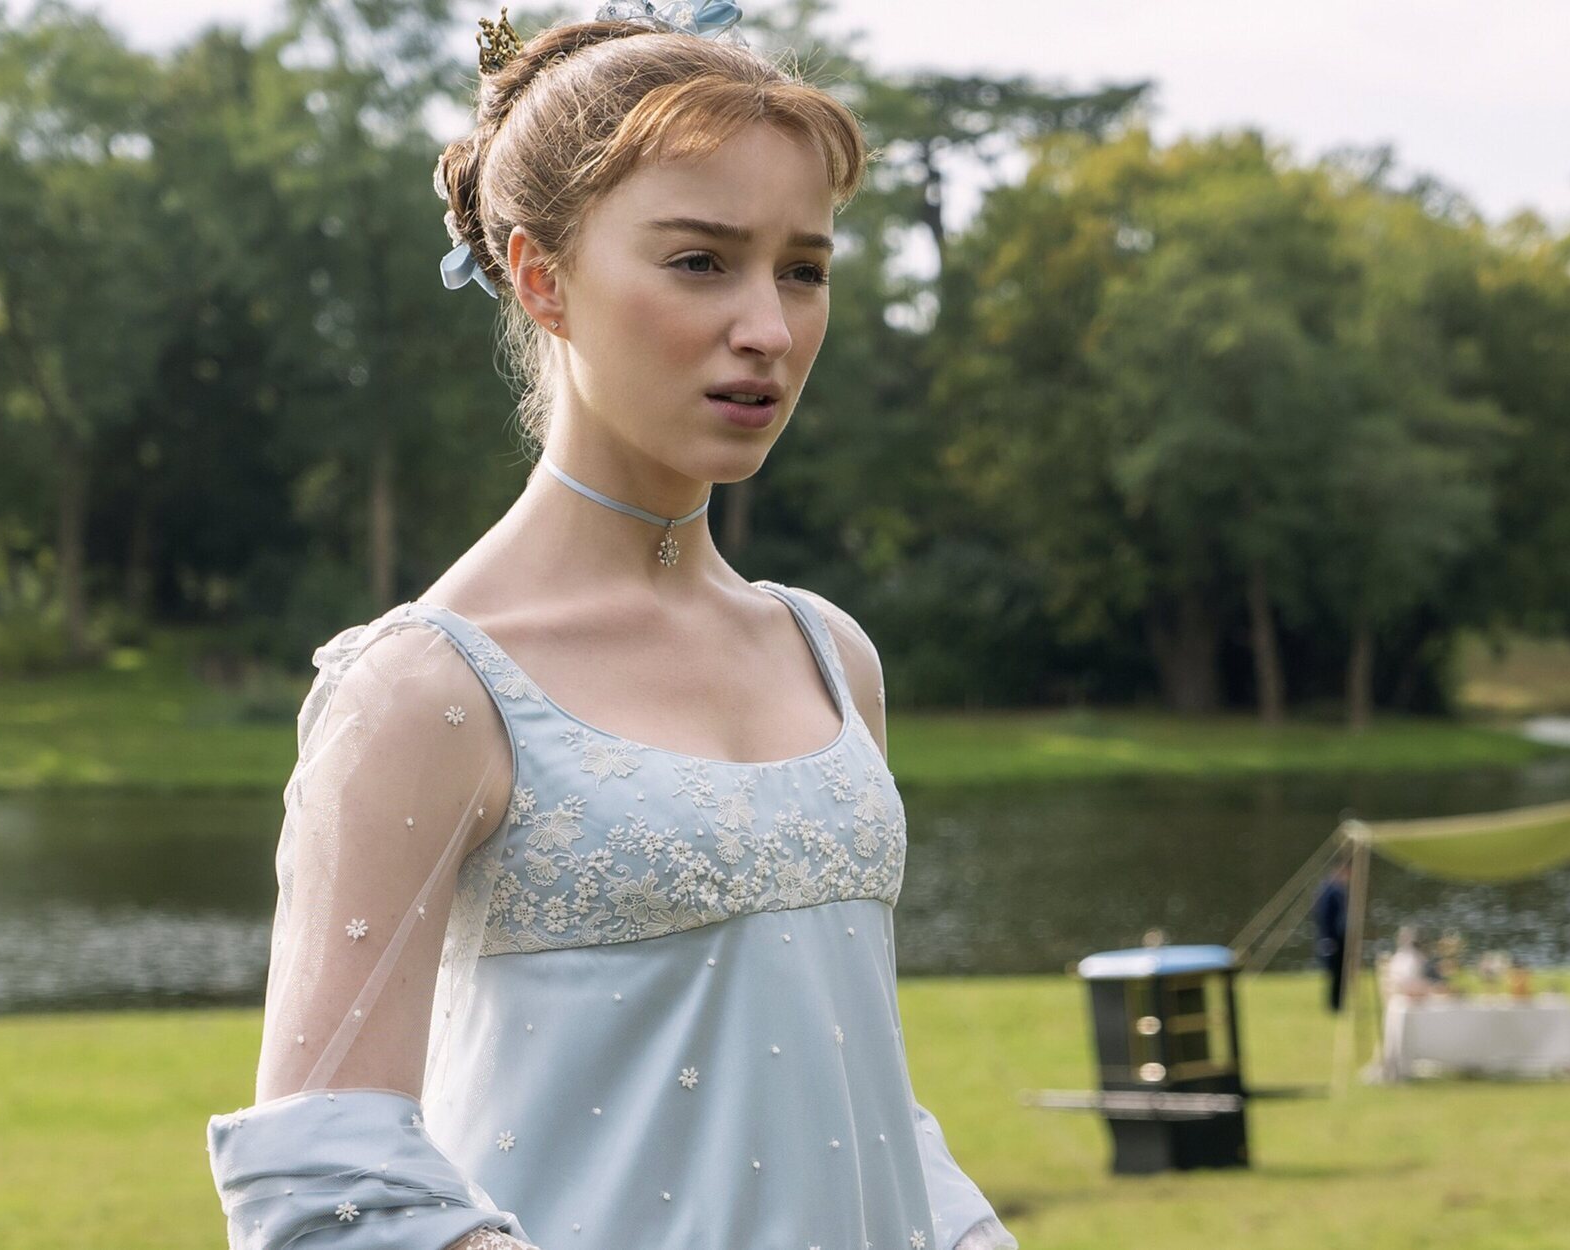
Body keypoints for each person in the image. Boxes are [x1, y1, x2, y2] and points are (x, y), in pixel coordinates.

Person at [203, 5, 1017, 1250]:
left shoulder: (829, 658)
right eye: (699, 261)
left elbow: (850, 1093)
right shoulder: (427, 689)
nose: (767, 327)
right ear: (542, 277)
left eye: (803, 269)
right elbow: (323, 1184)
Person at [1311, 859, 1350, 1013]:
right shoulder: (1330, 891)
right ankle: (1335, 1005)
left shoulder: (1331, 888)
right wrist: (1330, 937)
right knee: (1336, 972)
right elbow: (1324, 916)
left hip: (1334, 937)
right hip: (1333, 938)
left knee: (1338, 972)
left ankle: (1337, 1002)